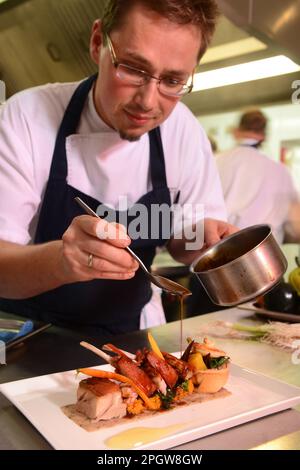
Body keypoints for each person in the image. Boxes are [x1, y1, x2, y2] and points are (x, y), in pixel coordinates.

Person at [0, 0, 235, 335]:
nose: (148, 102)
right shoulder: (25, 117)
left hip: (130, 337)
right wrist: (62, 261)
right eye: (134, 69)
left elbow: (184, 240)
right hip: (28, 339)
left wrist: (204, 238)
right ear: (98, 43)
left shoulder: (184, 131)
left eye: (172, 80)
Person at [216, 109, 299, 243]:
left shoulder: (217, 161)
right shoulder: (281, 171)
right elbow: (296, 224)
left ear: (237, 131)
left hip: (224, 249)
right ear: (264, 136)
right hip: (266, 252)